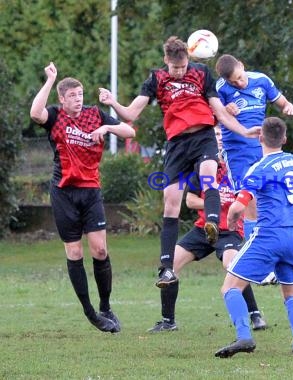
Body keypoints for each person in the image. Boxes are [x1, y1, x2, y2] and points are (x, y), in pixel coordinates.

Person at [99, 37, 259, 288]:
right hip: (176, 145)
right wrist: (112, 102)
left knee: (208, 175)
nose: (180, 72)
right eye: (175, 68)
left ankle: (212, 223)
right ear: (166, 61)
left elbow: (219, 111)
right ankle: (166, 269)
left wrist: (244, 131)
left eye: (183, 67)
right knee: (170, 204)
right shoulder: (156, 79)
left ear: (188, 61)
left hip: (203, 138)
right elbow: (131, 114)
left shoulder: (201, 73)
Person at [30, 62, 135, 333]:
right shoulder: (54, 116)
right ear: (62, 99)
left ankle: (105, 306)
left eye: (81, 95)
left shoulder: (95, 114)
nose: (79, 100)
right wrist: (50, 79)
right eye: (73, 96)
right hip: (64, 193)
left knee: (100, 250)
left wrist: (107, 129)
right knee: (75, 252)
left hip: (90, 191)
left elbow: (130, 131)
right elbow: (34, 113)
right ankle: (90, 313)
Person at [214, 117, 293, 358]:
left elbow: (239, 206)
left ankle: (244, 336)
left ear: (260, 138)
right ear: (285, 138)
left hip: (269, 235)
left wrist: (231, 221)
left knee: (230, 287)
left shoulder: (259, 168)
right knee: (291, 292)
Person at [148, 125, 267, 332]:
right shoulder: (202, 167)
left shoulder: (238, 168)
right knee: (170, 263)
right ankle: (168, 322)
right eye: (216, 135)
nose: (219, 138)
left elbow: (252, 199)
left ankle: (254, 314)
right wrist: (212, 203)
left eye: (222, 134)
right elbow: (191, 200)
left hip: (230, 230)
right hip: (203, 228)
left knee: (233, 265)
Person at [215, 54, 293, 243]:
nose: (240, 84)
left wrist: (287, 107)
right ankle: (254, 244)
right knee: (249, 199)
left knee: (268, 196)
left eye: (240, 78)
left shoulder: (261, 80)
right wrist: (225, 109)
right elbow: (214, 115)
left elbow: (282, 102)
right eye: (234, 82)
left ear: (242, 66)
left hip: (263, 149)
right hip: (237, 151)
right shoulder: (220, 88)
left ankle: (268, 242)